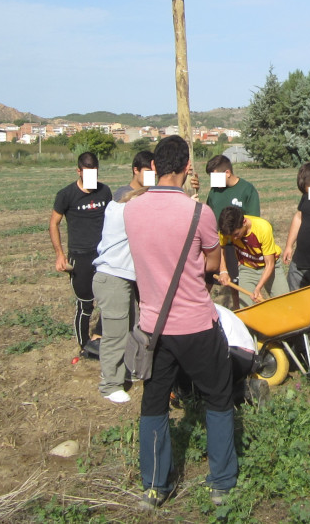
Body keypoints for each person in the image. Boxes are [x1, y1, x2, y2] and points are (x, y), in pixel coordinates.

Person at [124, 135, 237, 509]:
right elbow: (212, 263)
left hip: (153, 329)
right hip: (196, 324)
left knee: (154, 404)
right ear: (188, 168)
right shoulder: (197, 212)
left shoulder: (131, 210)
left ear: (153, 167)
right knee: (218, 398)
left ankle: (155, 486)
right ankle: (221, 482)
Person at [49, 152, 111, 360]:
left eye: (95, 171)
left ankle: (99, 337)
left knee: (111, 299)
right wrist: (59, 255)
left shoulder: (104, 192)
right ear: (78, 171)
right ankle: (84, 346)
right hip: (80, 257)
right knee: (85, 304)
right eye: (87, 172)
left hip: (103, 255)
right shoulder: (66, 195)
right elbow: (53, 223)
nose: (92, 176)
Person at [92, 188, 147, 404]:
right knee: (115, 334)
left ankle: (122, 372)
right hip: (113, 279)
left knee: (128, 328)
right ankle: (110, 385)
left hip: (120, 280)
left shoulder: (119, 208)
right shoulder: (122, 212)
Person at [206, 155, 260, 308]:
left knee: (236, 286)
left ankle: (240, 313)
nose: (212, 181)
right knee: (206, 280)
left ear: (227, 173)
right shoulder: (214, 192)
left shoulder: (247, 190)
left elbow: (252, 223)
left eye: (214, 177)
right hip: (215, 245)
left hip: (235, 247)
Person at [217, 206, 289, 307]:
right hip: (247, 268)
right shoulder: (226, 230)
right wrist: (223, 271)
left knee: (285, 304)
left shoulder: (263, 228)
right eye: (231, 236)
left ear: (244, 222)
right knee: (246, 309)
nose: (234, 238)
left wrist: (258, 287)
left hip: (270, 267)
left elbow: (270, 264)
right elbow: (221, 247)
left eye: (236, 234)